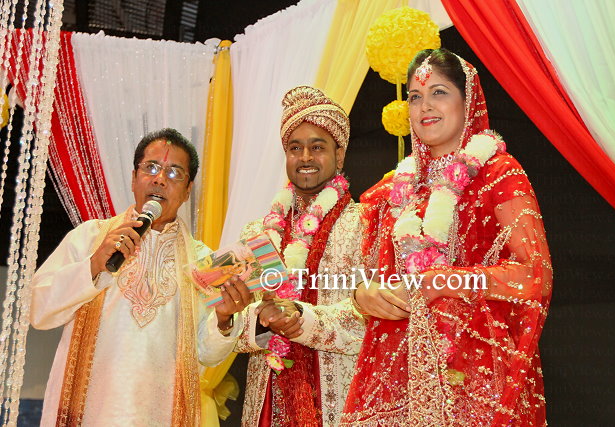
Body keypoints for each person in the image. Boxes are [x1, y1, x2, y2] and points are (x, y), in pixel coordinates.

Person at [340, 49, 553, 425]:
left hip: (473, 381)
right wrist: (362, 294)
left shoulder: (498, 174)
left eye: (439, 92)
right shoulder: (392, 190)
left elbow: (533, 275)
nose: (425, 106)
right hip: (392, 382)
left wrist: (444, 279)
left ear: (467, 101)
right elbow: (362, 273)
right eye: (415, 96)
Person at [30, 128, 252, 426]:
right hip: (89, 414)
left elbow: (208, 355)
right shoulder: (91, 237)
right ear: (134, 178)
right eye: (151, 168)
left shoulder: (202, 261)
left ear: (188, 190)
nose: (160, 179)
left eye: (174, 173)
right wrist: (94, 265)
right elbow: (39, 311)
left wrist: (224, 320)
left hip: (161, 415)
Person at [208, 86, 366, 426]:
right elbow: (234, 333)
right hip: (266, 404)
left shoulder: (366, 224)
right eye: (295, 148)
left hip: (338, 403)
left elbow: (371, 318)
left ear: (340, 155)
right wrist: (239, 318)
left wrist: (301, 319)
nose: (305, 157)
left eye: (317, 147)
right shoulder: (259, 234)